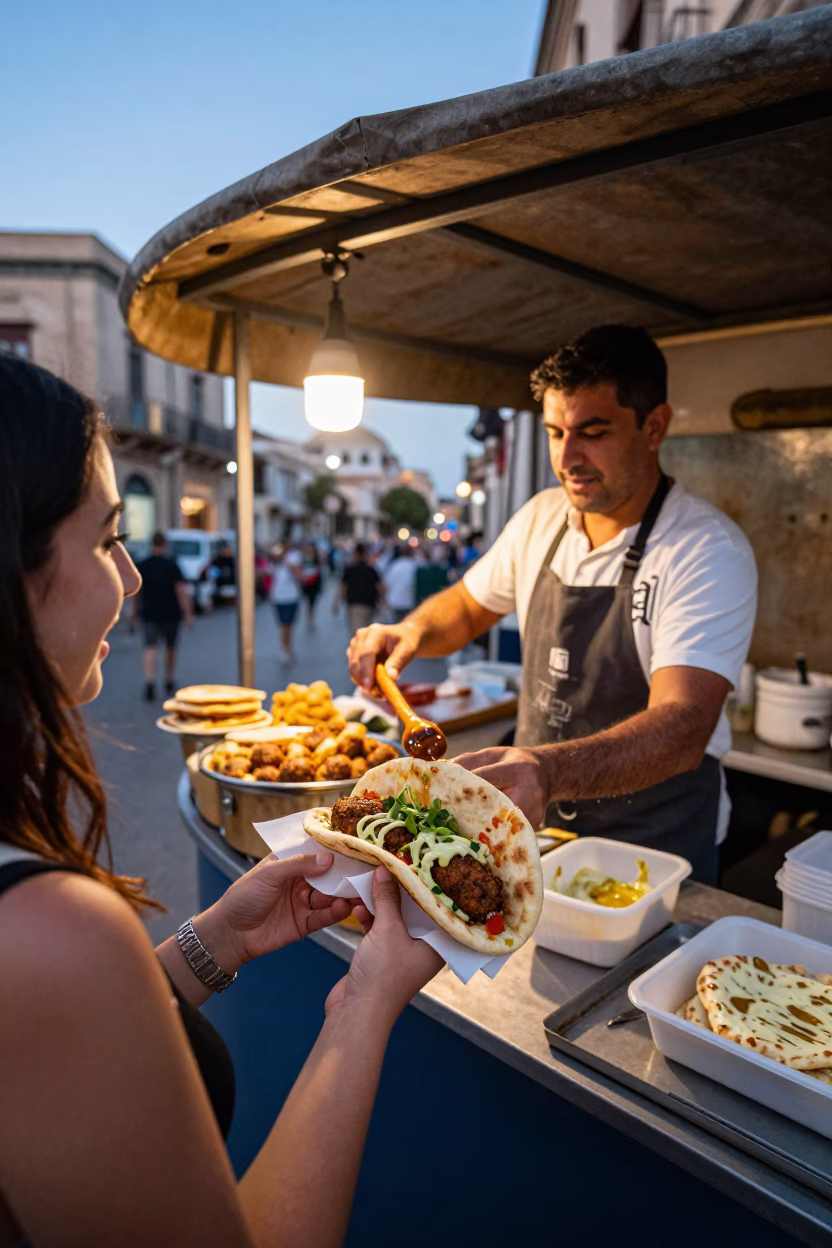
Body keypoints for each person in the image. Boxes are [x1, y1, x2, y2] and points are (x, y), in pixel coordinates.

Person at [0, 355, 441, 1248]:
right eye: (104, 538)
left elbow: (52, 1061)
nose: (128, 576)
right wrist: (365, 1006)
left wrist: (219, 941)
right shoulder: (48, 929)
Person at [348, 325, 757, 883]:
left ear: (654, 426)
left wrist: (548, 768)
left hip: (654, 854)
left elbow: (683, 725)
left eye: (592, 432)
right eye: (555, 432)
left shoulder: (706, 550)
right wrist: (412, 631)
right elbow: (468, 607)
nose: (568, 457)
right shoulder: (542, 518)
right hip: (534, 839)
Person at [133, 530, 193, 700]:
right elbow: (181, 590)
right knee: (170, 648)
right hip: (170, 613)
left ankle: (150, 681)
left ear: (152, 544)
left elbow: (136, 593)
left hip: (149, 613)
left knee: (150, 648)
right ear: (164, 544)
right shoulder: (171, 565)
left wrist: (133, 613)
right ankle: (168, 679)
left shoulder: (143, 565)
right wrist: (188, 613)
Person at [336, 542, 384, 636]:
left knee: (358, 634)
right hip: (369, 604)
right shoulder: (371, 569)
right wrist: (382, 602)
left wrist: (337, 601)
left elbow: (342, 586)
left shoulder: (350, 569)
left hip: (355, 604)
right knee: (365, 631)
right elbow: (380, 587)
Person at [270, 541, 303, 664]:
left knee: (289, 624)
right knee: (283, 624)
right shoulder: (274, 561)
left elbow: (300, 576)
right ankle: (285, 649)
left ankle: (288, 647)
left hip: (291, 596)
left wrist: (291, 565)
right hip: (279, 597)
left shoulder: (294, 557)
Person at [382, 545, 417, 623]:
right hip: (409, 601)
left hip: (394, 601)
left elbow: (387, 583)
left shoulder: (394, 566)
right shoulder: (415, 565)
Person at [299, 542, 323, 630]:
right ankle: (310, 618)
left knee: (313, 602)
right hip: (307, 583)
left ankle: (311, 617)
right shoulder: (304, 558)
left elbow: (319, 570)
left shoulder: (316, 558)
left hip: (314, 584)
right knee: (308, 602)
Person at [209, 539, 236, 608]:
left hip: (233, 587)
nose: (223, 551)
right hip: (220, 588)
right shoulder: (216, 561)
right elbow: (213, 576)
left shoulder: (232, 560)